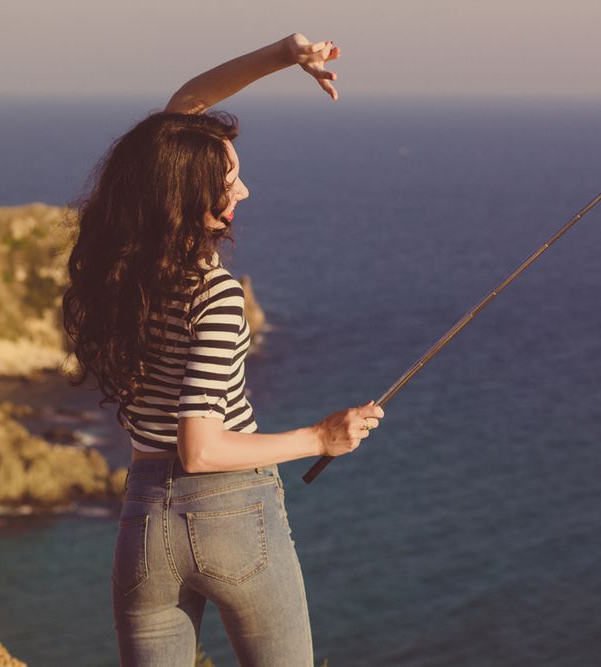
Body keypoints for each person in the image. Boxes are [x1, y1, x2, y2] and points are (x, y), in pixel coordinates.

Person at [61, 33, 385, 667]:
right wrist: (321, 439)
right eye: (230, 181)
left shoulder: (121, 271)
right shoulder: (215, 295)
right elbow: (202, 448)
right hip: (233, 513)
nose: (244, 191)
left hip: (145, 521)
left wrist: (285, 54)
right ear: (188, 197)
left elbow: (183, 108)